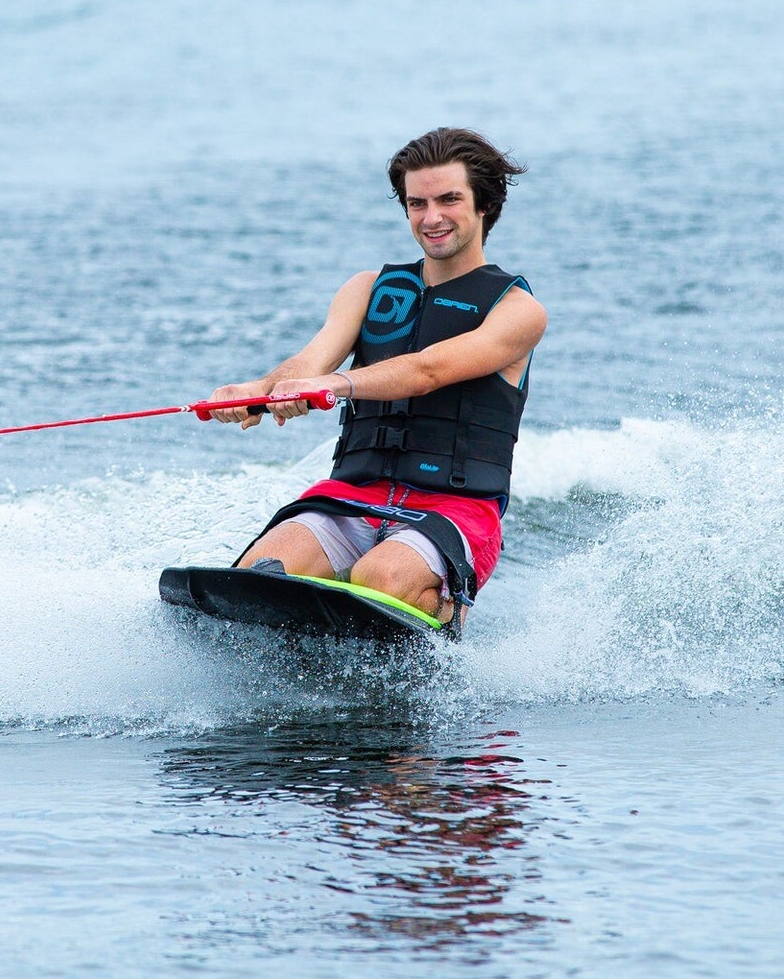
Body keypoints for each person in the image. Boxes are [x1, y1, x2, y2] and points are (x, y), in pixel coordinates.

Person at [209, 127, 546, 634]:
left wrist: (335, 385)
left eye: (449, 199)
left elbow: (427, 370)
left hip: (454, 507)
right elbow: (310, 361)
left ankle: (447, 610)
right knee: (262, 575)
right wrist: (258, 390)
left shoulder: (518, 311)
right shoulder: (367, 289)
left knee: (381, 577)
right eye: (417, 203)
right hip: (352, 493)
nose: (431, 218)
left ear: (484, 205)